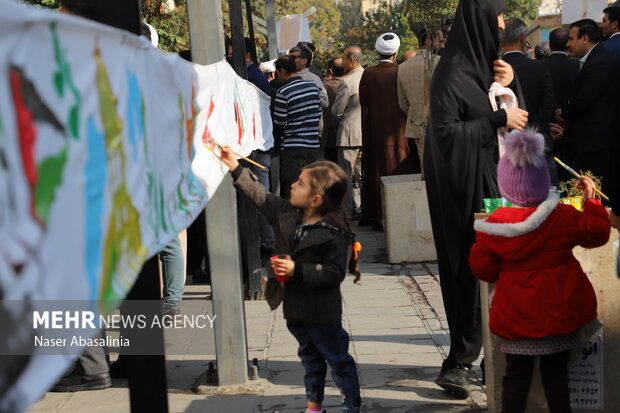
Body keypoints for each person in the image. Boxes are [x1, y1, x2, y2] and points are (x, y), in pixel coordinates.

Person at [424, 0, 529, 398]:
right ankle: (458, 362)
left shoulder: (492, 69)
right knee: (469, 272)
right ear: (480, 20)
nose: (503, 23)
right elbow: (448, 136)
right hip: (466, 192)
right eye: (499, 15)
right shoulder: (450, 75)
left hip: (500, 187)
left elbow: (518, 118)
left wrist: (512, 82)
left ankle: (493, 361)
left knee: (503, 275)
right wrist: (496, 120)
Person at [469, 130, 610, 413]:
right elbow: (599, 233)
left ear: (506, 184)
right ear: (543, 180)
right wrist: (591, 200)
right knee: (557, 380)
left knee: (515, 380)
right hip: (560, 312)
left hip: (516, 317)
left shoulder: (496, 225)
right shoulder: (562, 216)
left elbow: (482, 268)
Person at [219, 148, 362, 413]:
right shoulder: (286, 212)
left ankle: (352, 405)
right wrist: (234, 167)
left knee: (338, 360)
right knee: (309, 360)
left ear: (316, 199)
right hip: (295, 309)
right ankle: (314, 406)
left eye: (299, 184)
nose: (292, 186)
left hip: (322, 312)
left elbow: (333, 273)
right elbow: (259, 196)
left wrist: (297, 270)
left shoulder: (333, 233)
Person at [359, 33, 416, 230]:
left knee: (376, 172)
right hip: (401, 134)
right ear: (396, 53)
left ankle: (377, 215)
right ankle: (402, 213)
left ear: (377, 53)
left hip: (375, 133)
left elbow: (363, 103)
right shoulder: (402, 71)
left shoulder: (369, 74)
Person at [557, 19, 616, 192]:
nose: (568, 44)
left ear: (584, 38)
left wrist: (563, 114)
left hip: (595, 143)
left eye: (571, 38)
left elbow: (584, 100)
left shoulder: (600, 62)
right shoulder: (596, 58)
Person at [500, 18, 557, 186]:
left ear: (501, 40)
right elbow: (549, 104)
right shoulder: (539, 67)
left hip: (504, 144)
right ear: (523, 38)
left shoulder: (493, 68)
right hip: (539, 142)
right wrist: (532, 129)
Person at [273, 55, 322, 199]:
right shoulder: (313, 88)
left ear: (282, 71)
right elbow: (318, 113)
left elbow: (280, 122)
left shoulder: (283, 93)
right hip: (313, 146)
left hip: (292, 149)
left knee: (292, 189)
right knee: (313, 187)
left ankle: (292, 220)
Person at [397, 28, 443, 178]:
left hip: (416, 124)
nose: (442, 45)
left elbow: (402, 103)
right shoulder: (441, 63)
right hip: (441, 124)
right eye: (440, 41)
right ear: (429, 41)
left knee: (425, 169)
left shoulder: (403, 68)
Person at [332, 46, 364, 219]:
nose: (342, 62)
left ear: (351, 60)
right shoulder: (369, 76)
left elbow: (337, 110)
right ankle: (362, 208)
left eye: (344, 59)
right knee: (361, 175)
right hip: (366, 132)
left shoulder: (347, 82)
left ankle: (348, 212)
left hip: (348, 135)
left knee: (345, 176)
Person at [322, 58, 346, 162]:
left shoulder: (325, 86)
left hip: (327, 136)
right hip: (345, 135)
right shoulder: (350, 84)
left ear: (331, 71)